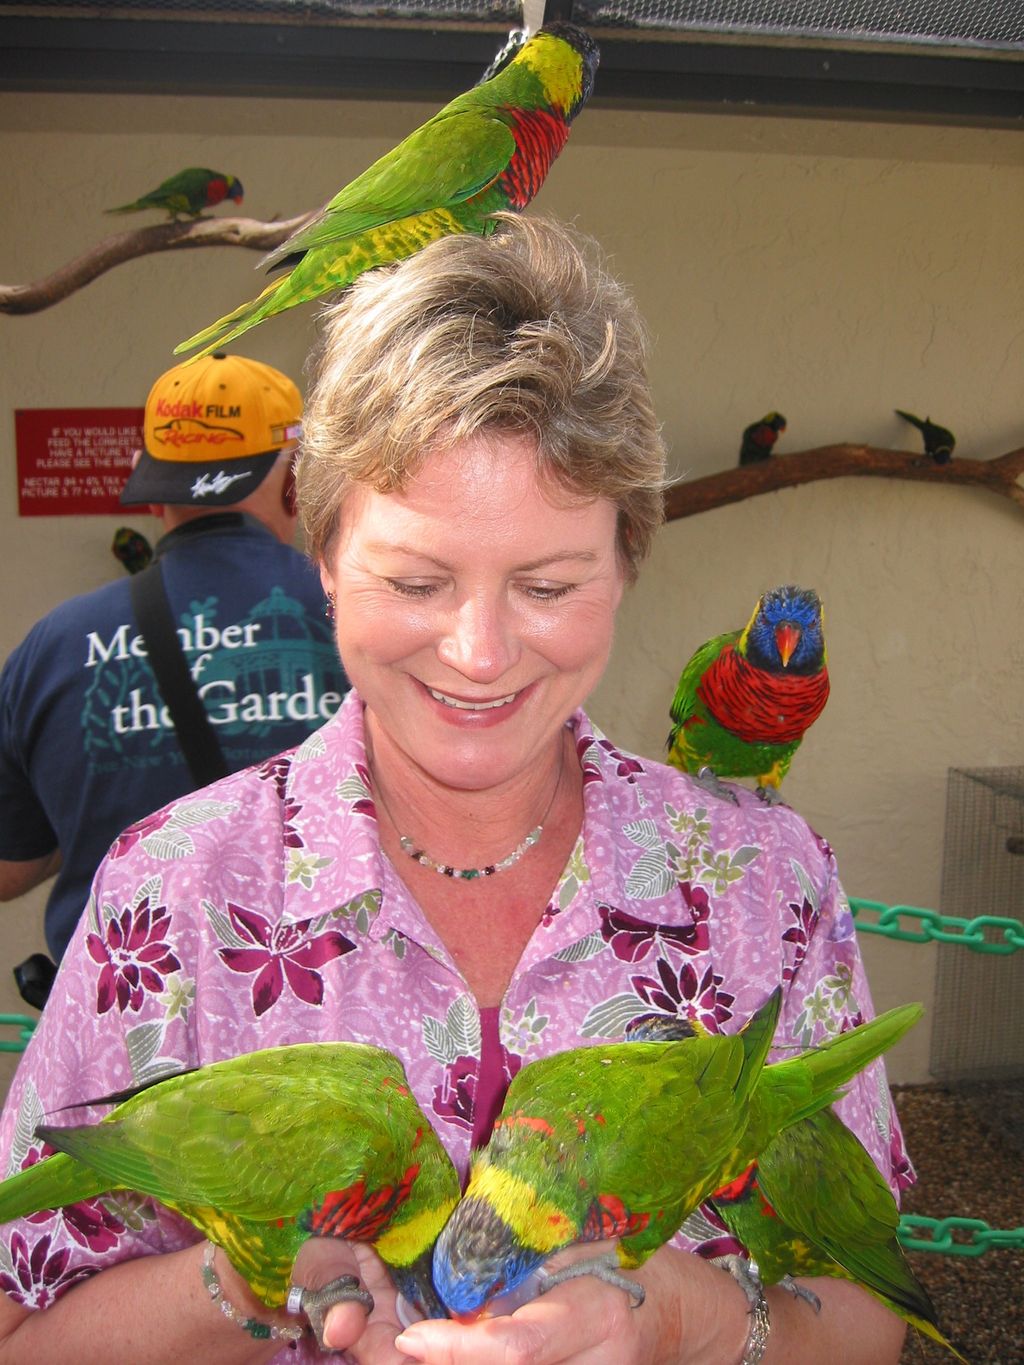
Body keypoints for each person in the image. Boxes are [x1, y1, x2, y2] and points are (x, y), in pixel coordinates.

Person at [0, 216, 911, 1364]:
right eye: (416, 580)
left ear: (627, 561)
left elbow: (867, 1326)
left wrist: (678, 1315)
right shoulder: (173, 896)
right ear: (321, 559)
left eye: (546, 582)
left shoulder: (761, 889)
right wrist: (245, 1280)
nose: (478, 652)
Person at [0, 353, 350, 970]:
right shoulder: (368, 616)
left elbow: (10, 865)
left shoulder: (51, 648)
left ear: (154, 488)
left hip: (129, 1026)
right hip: (319, 1016)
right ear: (299, 478)